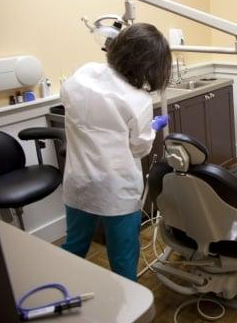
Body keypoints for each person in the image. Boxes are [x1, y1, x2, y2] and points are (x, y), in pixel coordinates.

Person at [60, 23, 171, 281]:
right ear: (150, 64)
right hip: (116, 190)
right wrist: (152, 128)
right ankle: (130, 313)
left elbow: (68, 104)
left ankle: (60, 295)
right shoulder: (138, 100)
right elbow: (139, 148)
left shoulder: (83, 74)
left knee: (73, 247)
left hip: (79, 183)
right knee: (122, 259)